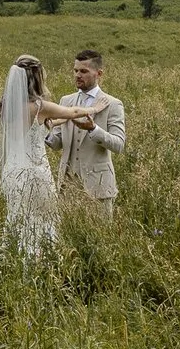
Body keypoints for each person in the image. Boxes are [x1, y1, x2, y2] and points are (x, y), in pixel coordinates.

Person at [0, 54, 99, 258]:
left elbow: (41, 126)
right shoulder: (39, 107)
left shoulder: (5, 107)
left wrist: (61, 122)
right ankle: (39, 259)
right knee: (41, 216)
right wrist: (95, 108)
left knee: (19, 215)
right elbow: (72, 111)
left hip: (13, 170)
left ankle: (15, 255)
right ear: (36, 78)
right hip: (34, 171)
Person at [46, 48, 126, 224]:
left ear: (99, 73)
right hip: (67, 186)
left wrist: (93, 129)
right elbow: (57, 142)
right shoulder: (66, 101)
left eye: (83, 71)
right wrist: (42, 132)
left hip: (98, 187)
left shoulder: (113, 104)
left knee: (100, 241)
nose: (77, 75)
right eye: (75, 70)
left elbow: (119, 144)